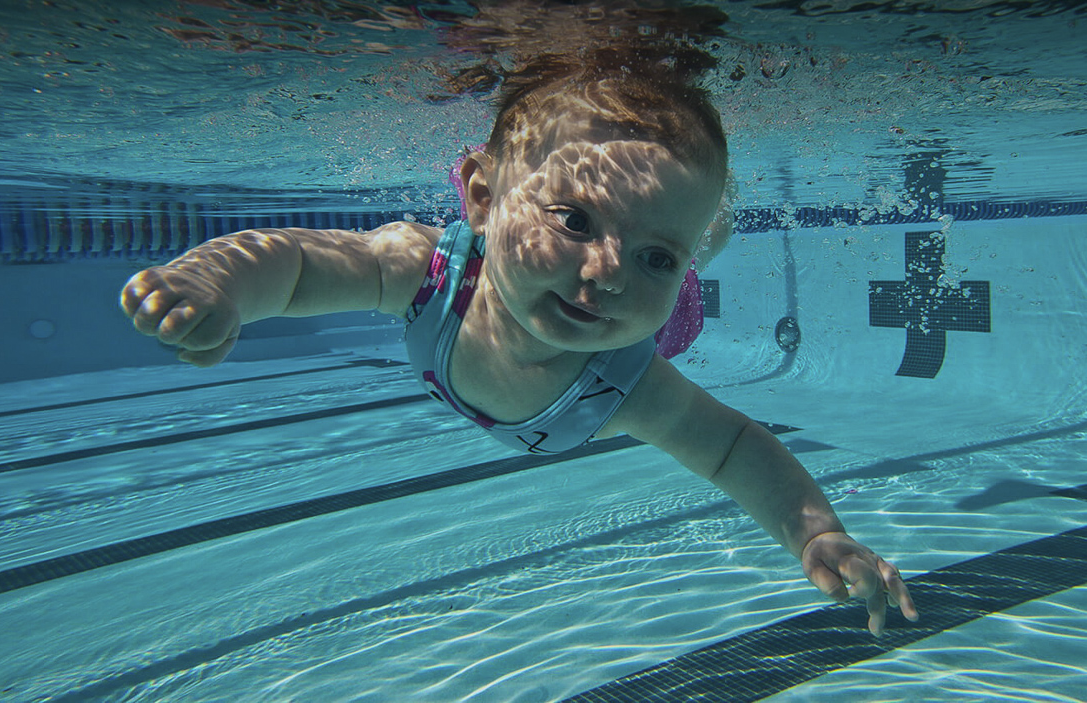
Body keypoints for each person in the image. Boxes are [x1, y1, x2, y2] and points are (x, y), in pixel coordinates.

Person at [120, 45, 918, 637]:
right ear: (481, 196)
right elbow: (296, 266)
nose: (605, 271)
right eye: (573, 219)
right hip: (607, 303)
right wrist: (215, 285)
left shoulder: (625, 376)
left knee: (673, 294)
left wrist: (813, 530)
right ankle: (690, 244)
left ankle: (697, 251)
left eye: (649, 253)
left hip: (662, 324)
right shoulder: (430, 272)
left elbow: (734, 448)